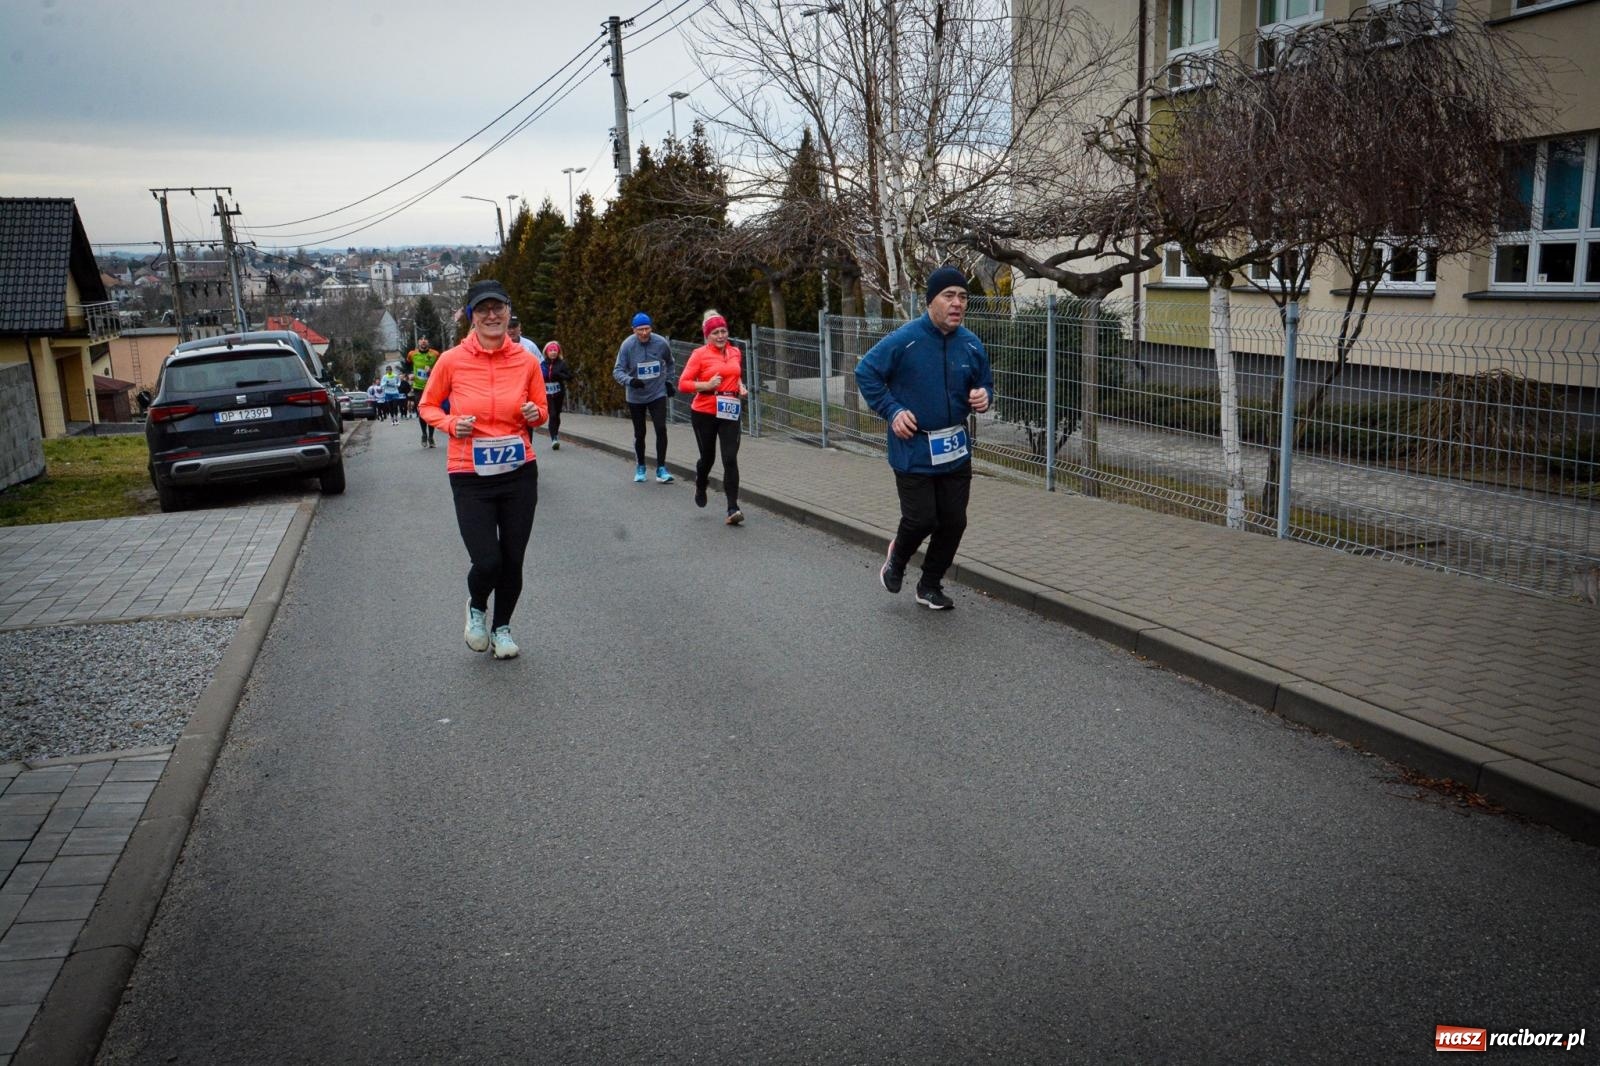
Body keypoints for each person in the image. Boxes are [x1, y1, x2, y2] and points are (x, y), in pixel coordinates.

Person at [417, 279, 549, 660]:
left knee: (513, 557)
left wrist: (533, 414)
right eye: (483, 309)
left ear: (508, 312)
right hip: (469, 471)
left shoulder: (526, 361)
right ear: (471, 317)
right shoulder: (451, 360)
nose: (492, 315)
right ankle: (476, 606)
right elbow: (427, 406)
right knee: (487, 559)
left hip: (518, 470)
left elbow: (542, 410)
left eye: (498, 308)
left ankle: (502, 628)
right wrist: (448, 424)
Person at [854, 266, 993, 611]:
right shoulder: (906, 339)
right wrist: (893, 410)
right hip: (914, 445)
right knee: (922, 519)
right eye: (949, 296)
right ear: (931, 301)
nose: (957, 303)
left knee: (954, 521)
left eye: (962, 296)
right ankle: (897, 558)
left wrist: (984, 396)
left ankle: (929, 585)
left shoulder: (971, 344)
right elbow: (866, 372)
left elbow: (984, 383)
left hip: (955, 448)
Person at [677, 310, 748, 525]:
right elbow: (683, 384)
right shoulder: (699, 355)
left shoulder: (735, 352)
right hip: (704, 412)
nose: (720, 336)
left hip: (730, 411)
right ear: (708, 335)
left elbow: (735, 376)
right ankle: (701, 481)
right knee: (708, 458)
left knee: (729, 458)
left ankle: (732, 508)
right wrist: (705, 385)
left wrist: (741, 387)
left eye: (723, 331)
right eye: (715, 332)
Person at [612, 312, 675, 483]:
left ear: (651, 328)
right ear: (633, 330)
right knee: (640, 433)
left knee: (661, 428)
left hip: (657, 393)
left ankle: (661, 468)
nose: (644, 333)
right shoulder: (627, 345)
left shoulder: (661, 343)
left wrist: (669, 381)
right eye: (640, 329)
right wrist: (630, 381)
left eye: (647, 329)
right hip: (636, 396)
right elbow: (617, 371)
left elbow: (670, 362)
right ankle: (641, 465)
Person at [540, 341, 574, 450]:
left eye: (555, 350)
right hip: (547, 393)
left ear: (558, 351)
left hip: (559, 392)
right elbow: (537, 378)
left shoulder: (562, 364)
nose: (553, 352)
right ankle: (554, 439)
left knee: (557, 414)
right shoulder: (543, 364)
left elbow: (569, 377)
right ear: (546, 352)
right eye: (551, 350)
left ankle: (556, 433)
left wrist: (559, 374)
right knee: (552, 414)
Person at [410, 338, 438, 447]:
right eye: (421, 340)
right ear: (418, 343)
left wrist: (431, 371)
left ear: (428, 342)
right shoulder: (412, 354)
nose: (423, 341)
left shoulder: (435, 354)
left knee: (431, 412)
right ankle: (424, 434)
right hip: (418, 388)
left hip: (431, 387)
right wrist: (409, 374)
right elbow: (407, 363)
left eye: (425, 339)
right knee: (422, 411)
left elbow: (441, 367)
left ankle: (431, 437)